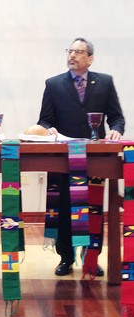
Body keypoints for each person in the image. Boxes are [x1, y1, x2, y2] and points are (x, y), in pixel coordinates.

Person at [37, 37, 125, 276]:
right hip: (63, 156)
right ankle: (65, 257)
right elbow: (44, 120)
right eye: (70, 51)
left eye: (78, 52)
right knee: (65, 207)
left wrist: (117, 129)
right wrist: (49, 129)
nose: (72, 55)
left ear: (90, 58)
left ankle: (91, 259)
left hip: (96, 157)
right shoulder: (54, 84)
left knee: (93, 207)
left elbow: (116, 117)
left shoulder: (104, 83)